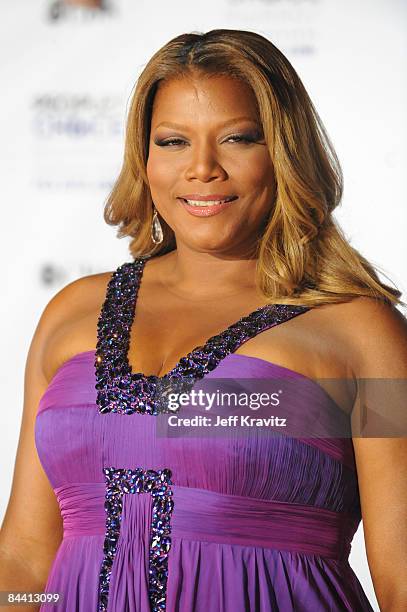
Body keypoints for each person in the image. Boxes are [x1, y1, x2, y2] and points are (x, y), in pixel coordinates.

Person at [1, 28, 406, 612]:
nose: (202, 169)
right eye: (172, 142)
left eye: (238, 138)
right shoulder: (71, 311)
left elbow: (401, 580)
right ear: (144, 157)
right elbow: (24, 558)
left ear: (284, 152)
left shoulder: (365, 334)